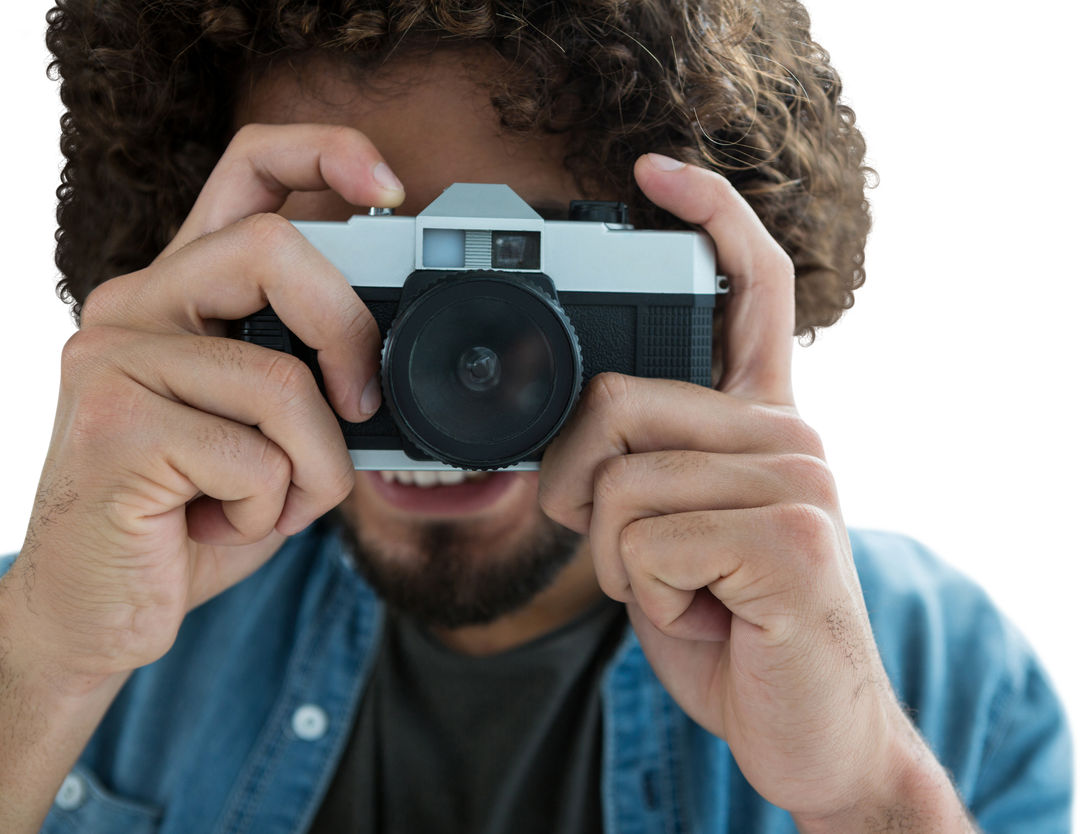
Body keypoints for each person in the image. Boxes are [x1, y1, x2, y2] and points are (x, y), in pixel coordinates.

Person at [1, 0, 1075, 832]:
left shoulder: (947, 671)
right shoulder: (73, 597)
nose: (446, 367)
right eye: (357, 272)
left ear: (696, 280)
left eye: (527, 279)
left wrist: (865, 796)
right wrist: (43, 662)